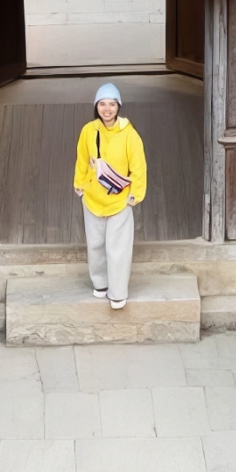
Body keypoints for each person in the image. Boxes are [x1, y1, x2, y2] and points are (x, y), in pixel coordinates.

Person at [73, 82, 146, 309]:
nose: (107, 109)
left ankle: (118, 292)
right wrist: (80, 184)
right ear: (97, 106)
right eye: (102, 104)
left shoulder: (130, 134)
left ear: (118, 106)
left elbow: (139, 167)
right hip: (93, 197)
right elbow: (82, 158)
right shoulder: (88, 130)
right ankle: (100, 283)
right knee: (95, 244)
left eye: (112, 104)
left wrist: (135, 195)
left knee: (118, 248)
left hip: (119, 200)